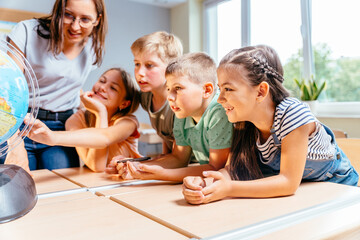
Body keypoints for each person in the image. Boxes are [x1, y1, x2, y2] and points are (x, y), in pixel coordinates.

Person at [182, 45, 359, 205]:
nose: (219, 99)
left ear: (261, 91)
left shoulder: (292, 114)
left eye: (228, 89)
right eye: (220, 90)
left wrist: (229, 188)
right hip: (306, 192)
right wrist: (205, 183)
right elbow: (232, 169)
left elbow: (288, 183)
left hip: (340, 189)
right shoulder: (244, 124)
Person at [1, 0, 108, 170]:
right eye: (68, 15)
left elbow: (67, 84)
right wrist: (15, 141)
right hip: (22, 122)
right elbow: (9, 91)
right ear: (58, 10)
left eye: (85, 19)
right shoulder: (27, 31)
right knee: (18, 182)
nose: (75, 27)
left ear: (98, 20)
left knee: (61, 184)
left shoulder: (93, 46)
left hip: (62, 127)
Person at [108, 52, 233, 182]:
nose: (169, 97)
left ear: (207, 90)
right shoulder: (182, 112)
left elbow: (215, 168)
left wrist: (161, 175)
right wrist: (136, 167)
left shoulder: (219, 112)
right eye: (168, 89)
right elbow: (178, 158)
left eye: (178, 88)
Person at [20, 68, 141, 172]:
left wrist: (101, 113)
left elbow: (98, 165)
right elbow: (96, 166)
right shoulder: (76, 120)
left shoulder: (128, 122)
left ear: (125, 103)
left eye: (113, 88)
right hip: (96, 182)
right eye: (102, 81)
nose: (102, 87)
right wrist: (100, 112)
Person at [130, 31, 183, 154]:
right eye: (137, 64)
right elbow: (167, 136)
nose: (140, 72)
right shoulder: (146, 98)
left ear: (171, 67)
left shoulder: (179, 103)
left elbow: (179, 158)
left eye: (149, 65)